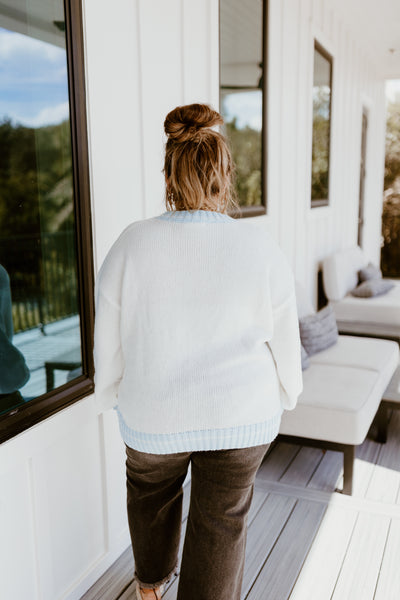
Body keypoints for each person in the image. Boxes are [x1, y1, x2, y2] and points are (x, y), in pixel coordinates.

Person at [94, 103, 303, 600]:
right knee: (221, 522)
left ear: (168, 172)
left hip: (153, 414)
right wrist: (287, 394)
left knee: (150, 497)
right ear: (225, 173)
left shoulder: (131, 244)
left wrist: (112, 395)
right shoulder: (261, 249)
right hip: (242, 415)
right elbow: (286, 343)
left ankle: (150, 587)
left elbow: (109, 339)